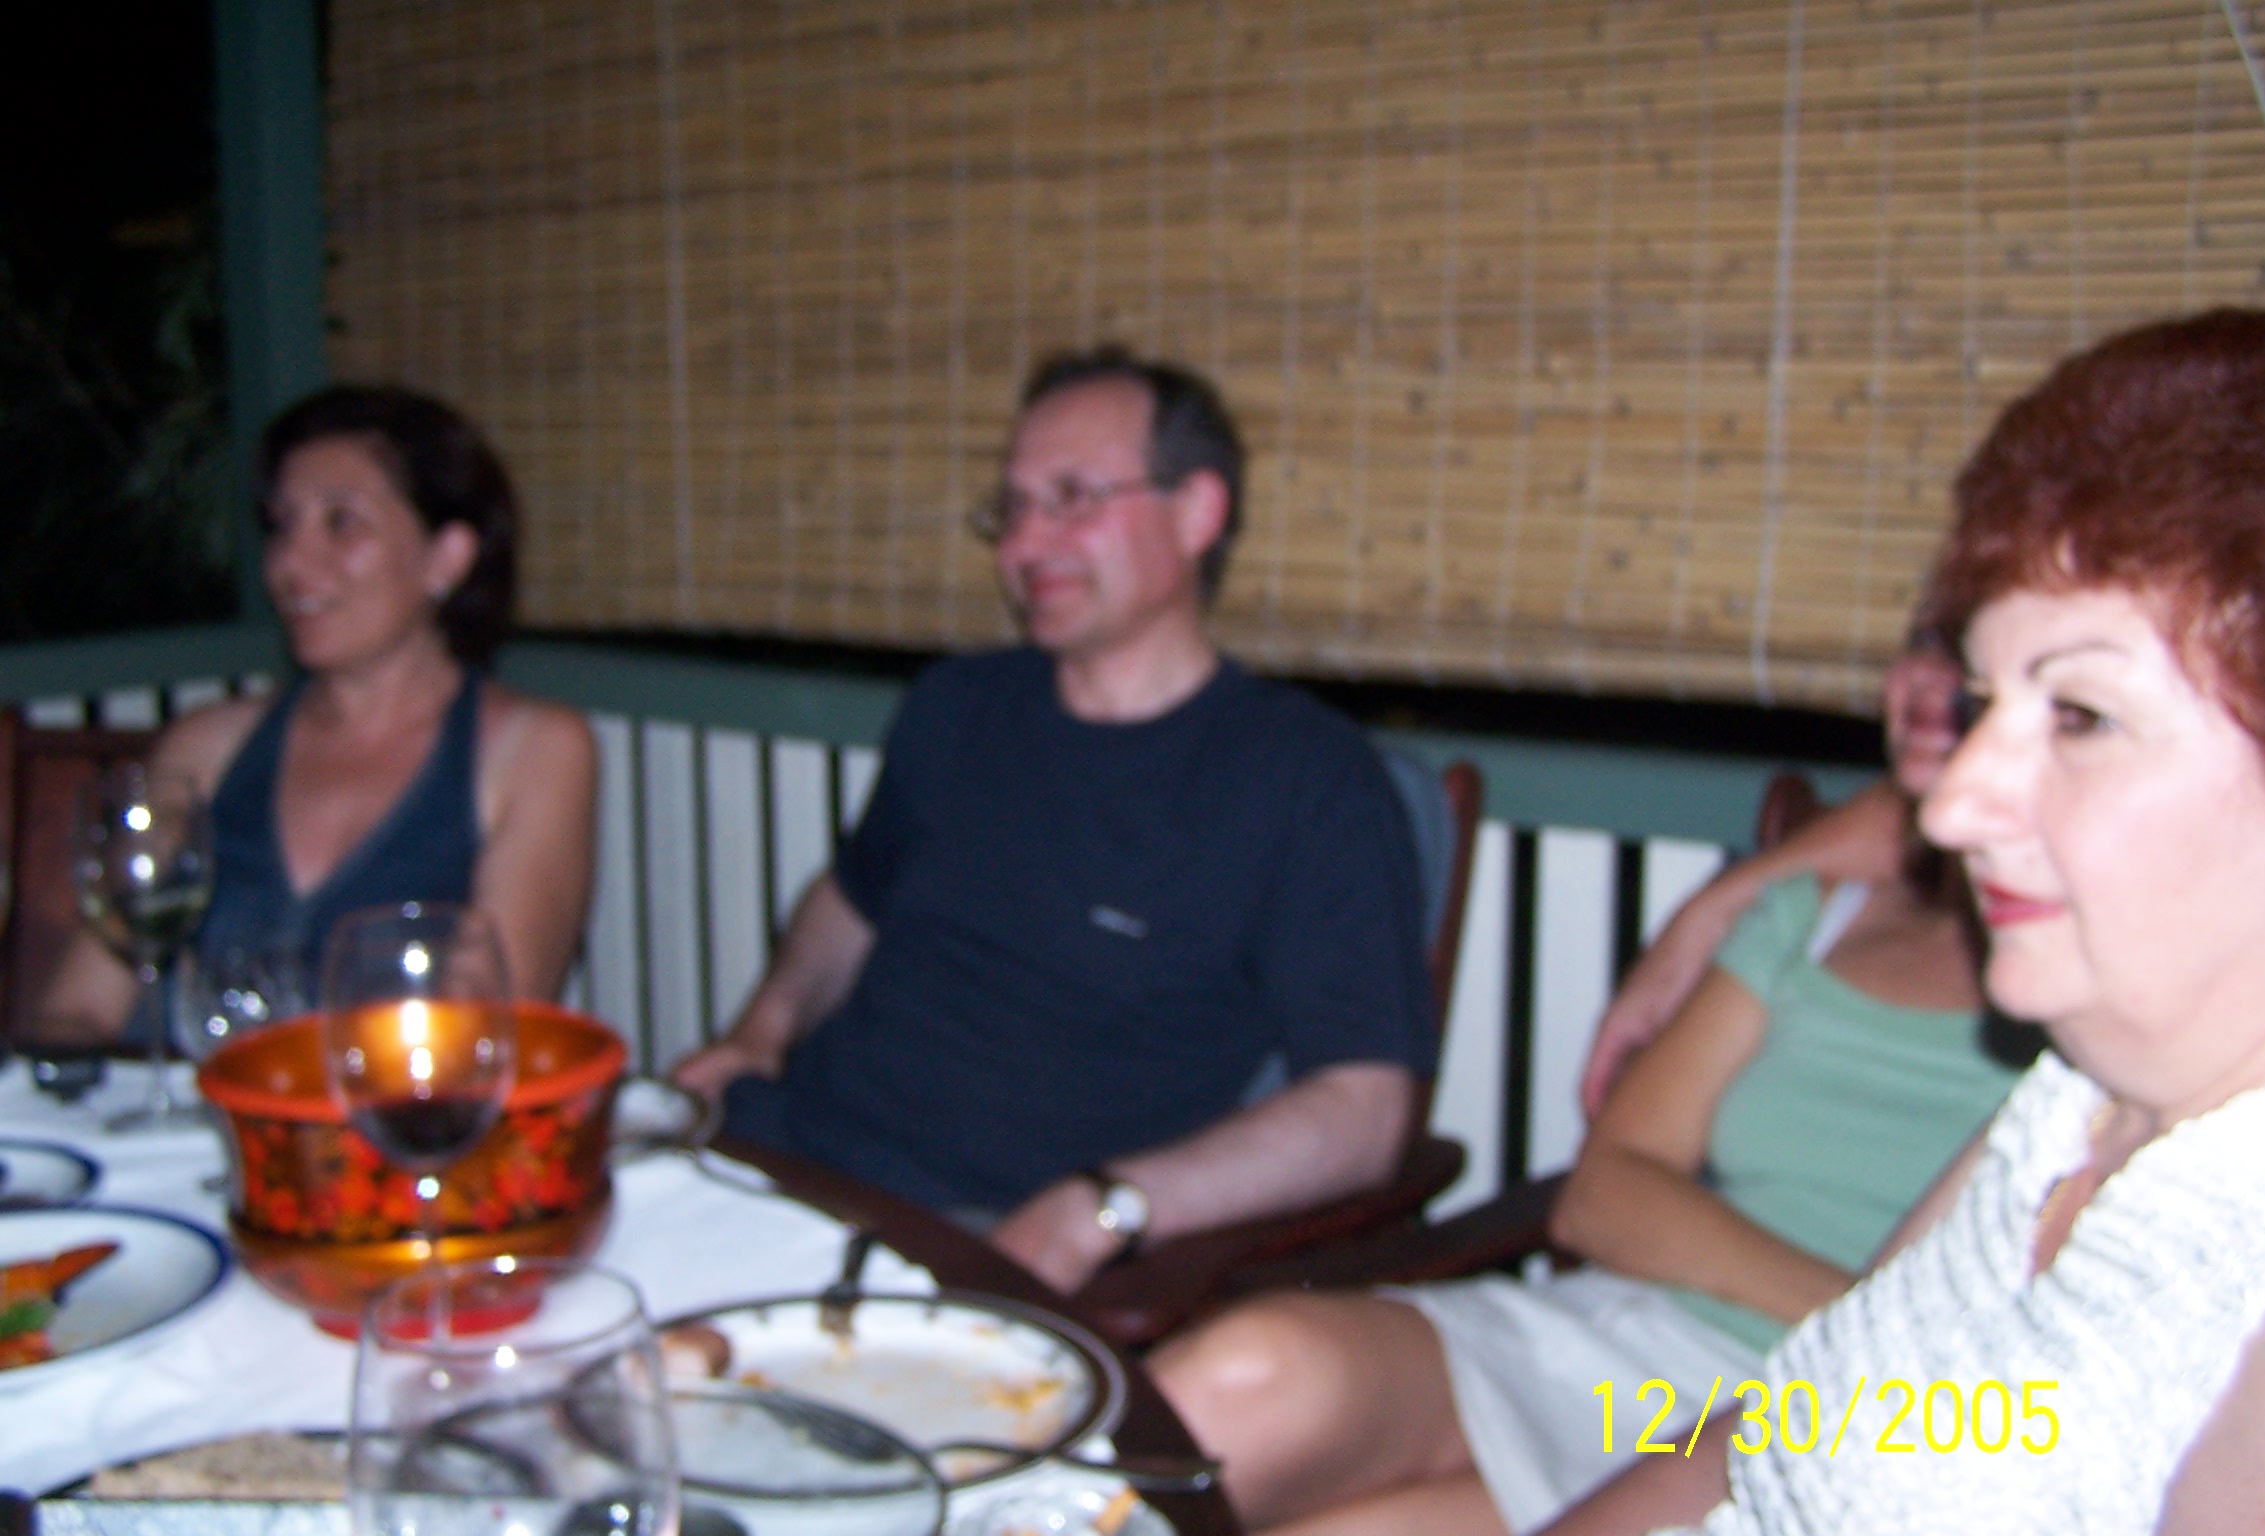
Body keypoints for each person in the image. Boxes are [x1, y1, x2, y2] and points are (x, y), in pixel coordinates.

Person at [1544, 307, 2265, 1534]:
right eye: (1986, 700)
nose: (1951, 806)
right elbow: (1805, 1421)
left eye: (2081, 716)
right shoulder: (2070, 1099)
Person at [1147, 634, 2022, 1536]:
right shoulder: (1815, 915)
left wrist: (1862, 1347)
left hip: (1872, 1420)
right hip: (1631, 1343)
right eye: (1926, 639)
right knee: (1241, 1375)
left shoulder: (2095, 1008)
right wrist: (1719, 904)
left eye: (1973, 658)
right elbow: (1604, 1196)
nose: (1933, 680)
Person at [674, 346, 1435, 1295]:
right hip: (782, 1162)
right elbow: (853, 901)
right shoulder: (957, 707)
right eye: (1014, 506)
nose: (1025, 545)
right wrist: (760, 1033)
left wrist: (1108, 1207)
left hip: (979, 1239)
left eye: (1073, 498)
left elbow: (1365, 1112)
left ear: (1197, 513)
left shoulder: (1304, 779)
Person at [32, 385, 597, 1040]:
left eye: (341, 522)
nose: (291, 564)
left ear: (446, 558)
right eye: (282, 525)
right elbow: (79, 1006)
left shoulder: (531, 750)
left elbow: (489, 1029)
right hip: (191, 1102)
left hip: (396, 1103)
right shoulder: (207, 749)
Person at [1576, 646, 1963, 1117]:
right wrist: (1705, 917)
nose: (1932, 676)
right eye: (1925, 639)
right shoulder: (1799, 913)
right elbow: (1628, 1139)